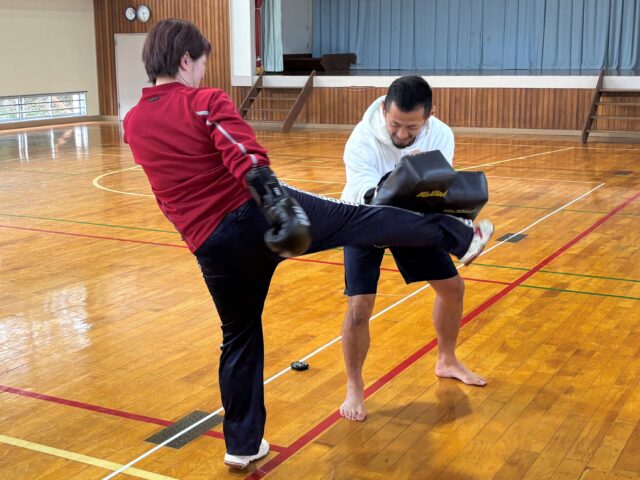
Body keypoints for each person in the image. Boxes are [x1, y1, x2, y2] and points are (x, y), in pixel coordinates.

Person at [123, 20, 493, 469]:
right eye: (201, 63)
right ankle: (463, 237)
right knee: (358, 220)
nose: (203, 72)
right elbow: (244, 155)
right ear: (185, 60)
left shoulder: (132, 122)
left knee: (238, 337)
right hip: (258, 214)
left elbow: (166, 193)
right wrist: (278, 207)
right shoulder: (204, 103)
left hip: (210, 245)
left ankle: (242, 445)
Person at [339, 76, 488, 423]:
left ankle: (447, 360)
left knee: (452, 288)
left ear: (429, 117)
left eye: (411, 127)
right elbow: (363, 191)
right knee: (359, 307)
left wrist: (425, 178)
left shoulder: (441, 135)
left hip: (410, 217)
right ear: (383, 110)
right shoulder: (361, 138)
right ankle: (354, 386)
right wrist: (402, 177)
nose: (402, 134)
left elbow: (435, 193)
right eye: (395, 125)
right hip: (364, 216)